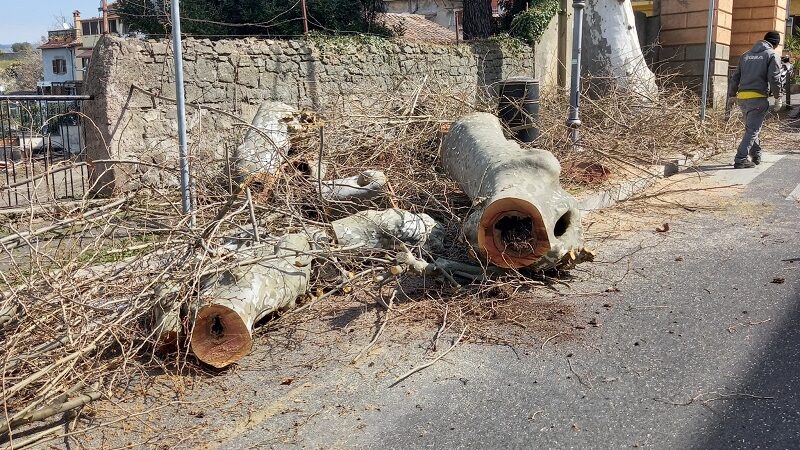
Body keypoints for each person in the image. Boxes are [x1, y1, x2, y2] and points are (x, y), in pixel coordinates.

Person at [728, 31, 782, 169]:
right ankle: (740, 159)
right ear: (775, 43)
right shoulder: (771, 54)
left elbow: (735, 77)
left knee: (751, 129)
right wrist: (778, 97)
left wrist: (732, 95)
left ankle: (756, 155)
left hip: (742, 99)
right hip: (757, 98)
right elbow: (774, 78)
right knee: (753, 130)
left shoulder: (746, 55)